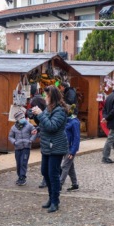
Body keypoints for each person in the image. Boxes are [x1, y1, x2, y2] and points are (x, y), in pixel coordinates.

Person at [31, 85, 68, 213]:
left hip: (56, 146)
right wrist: (38, 124)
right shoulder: (48, 109)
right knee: (45, 171)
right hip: (47, 145)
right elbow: (45, 124)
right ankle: (51, 197)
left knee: (53, 174)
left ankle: (55, 201)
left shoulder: (60, 110)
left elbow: (52, 126)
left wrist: (40, 115)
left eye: (47, 95)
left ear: (53, 97)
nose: (45, 97)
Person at [8, 110, 38, 186]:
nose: (22, 119)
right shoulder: (13, 128)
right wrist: (14, 142)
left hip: (26, 147)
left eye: (23, 117)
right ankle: (19, 176)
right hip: (18, 148)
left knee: (23, 162)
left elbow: (34, 132)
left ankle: (22, 177)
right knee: (18, 163)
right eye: (20, 118)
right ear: (17, 119)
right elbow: (10, 136)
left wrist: (31, 140)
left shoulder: (29, 125)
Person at [27, 93, 48, 189]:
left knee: (50, 159)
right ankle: (48, 177)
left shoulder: (47, 112)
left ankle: (48, 179)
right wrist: (38, 128)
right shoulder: (37, 112)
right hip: (44, 137)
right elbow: (41, 124)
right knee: (46, 159)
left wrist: (39, 115)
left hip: (50, 138)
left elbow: (48, 124)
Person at [60, 104, 81, 191]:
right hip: (65, 146)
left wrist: (73, 151)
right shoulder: (67, 121)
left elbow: (77, 138)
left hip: (70, 147)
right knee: (70, 166)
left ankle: (59, 184)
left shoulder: (74, 122)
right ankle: (75, 183)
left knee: (65, 166)